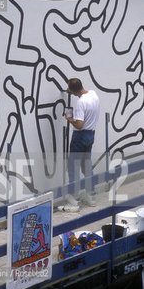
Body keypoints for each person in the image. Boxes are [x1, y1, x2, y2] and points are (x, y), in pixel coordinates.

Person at [59, 78, 100, 212]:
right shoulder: (93, 94)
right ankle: (91, 197)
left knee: (73, 167)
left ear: (73, 91)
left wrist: (70, 119)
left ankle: (73, 201)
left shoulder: (81, 102)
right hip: (91, 135)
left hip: (80, 136)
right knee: (86, 166)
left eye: (70, 90)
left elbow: (79, 125)